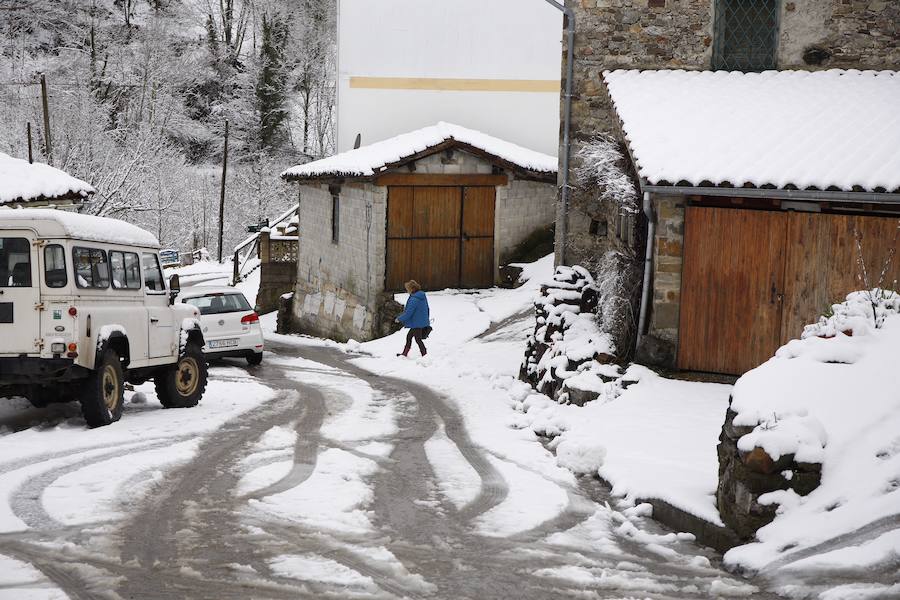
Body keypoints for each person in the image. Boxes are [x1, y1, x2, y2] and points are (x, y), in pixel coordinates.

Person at [395, 280, 430, 357]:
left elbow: (408, 313)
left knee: (417, 339)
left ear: (411, 289)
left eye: (407, 289)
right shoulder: (421, 296)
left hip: (416, 323)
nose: (407, 290)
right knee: (410, 337)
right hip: (420, 321)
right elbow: (427, 309)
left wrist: (399, 319)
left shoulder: (414, 299)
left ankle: (424, 355)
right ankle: (405, 353)